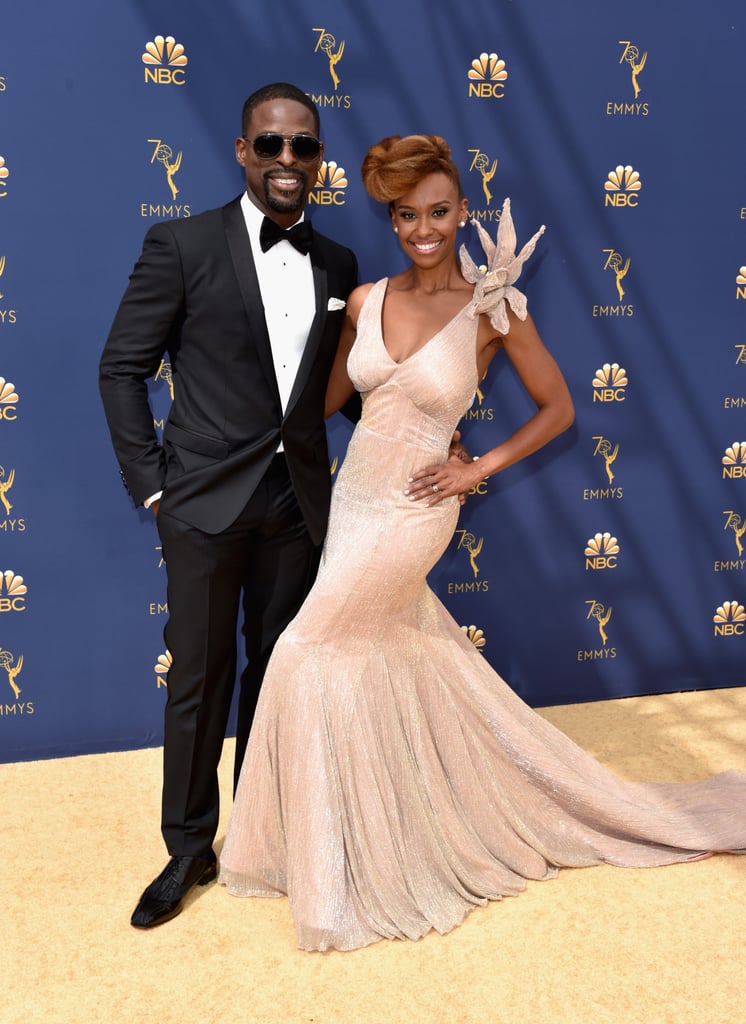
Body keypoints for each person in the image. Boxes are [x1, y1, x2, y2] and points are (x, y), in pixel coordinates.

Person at [219, 135, 746, 952]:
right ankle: (363, 834)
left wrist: (476, 467)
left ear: (463, 211)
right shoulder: (363, 301)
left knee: (306, 651)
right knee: (380, 654)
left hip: (416, 509)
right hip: (356, 498)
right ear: (390, 219)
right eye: (405, 215)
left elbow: (559, 408)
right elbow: (326, 409)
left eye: (437, 211)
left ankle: (351, 869)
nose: (422, 229)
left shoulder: (494, 307)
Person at [98, 83, 359, 929]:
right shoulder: (180, 244)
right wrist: (154, 484)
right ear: (243, 150)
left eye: (304, 148)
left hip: (296, 507)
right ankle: (188, 847)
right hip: (202, 505)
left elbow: (339, 385)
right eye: (272, 145)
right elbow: (121, 368)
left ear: (319, 160)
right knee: (200, 681)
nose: (289, 161)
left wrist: (424, 429)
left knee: (280, 676)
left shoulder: (340, 265)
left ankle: (262, 830)